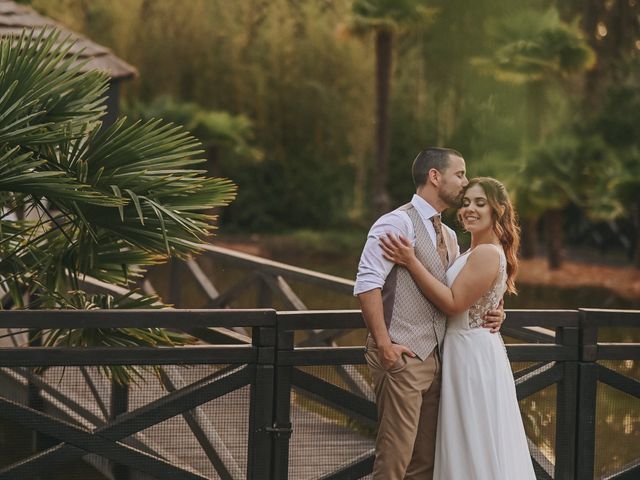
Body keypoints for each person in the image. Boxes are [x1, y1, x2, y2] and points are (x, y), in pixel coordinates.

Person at [354, 148, 505, 480]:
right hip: (402, 355)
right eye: (460, 174)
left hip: (440, 359)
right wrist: (384, 344)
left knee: (424, 462)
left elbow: (460, 290)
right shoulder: (396, 222)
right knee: (394, 458)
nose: (465, 183)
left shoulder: (450, 236)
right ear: (435, 177)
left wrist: (494, 310)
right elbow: (367, 284)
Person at [380, 177, 536, 479]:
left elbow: (453, 304)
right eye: (465, 203)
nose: (469, 209)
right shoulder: (471, 251)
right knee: (463, 438)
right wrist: (496, 311)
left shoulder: (487, 252)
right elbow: (479, 297)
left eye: (480, 203)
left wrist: (411, 261)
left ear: (498, 210)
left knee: (472, 437)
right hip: (460, 347)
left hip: (471, 355)